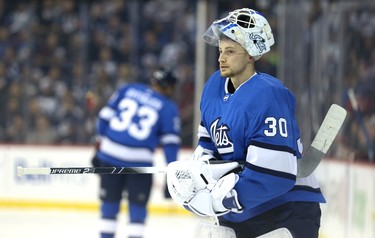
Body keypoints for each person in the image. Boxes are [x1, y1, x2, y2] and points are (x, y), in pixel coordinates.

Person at [168, 8, 325, 238]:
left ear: (251, 54)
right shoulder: (213, 86)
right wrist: (202, 166)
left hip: (284, 210)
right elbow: (209, 140)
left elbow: (274, 176)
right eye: (221, 50)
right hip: (242, 213)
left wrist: (216, 201)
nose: (221, 58)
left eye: (230, 51)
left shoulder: (268, 95)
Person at [92, 67, 181, 238]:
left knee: (109, 206)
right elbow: (170, 144)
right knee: (137, 211)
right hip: (139, 164)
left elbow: (104, 117)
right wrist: (171, 174)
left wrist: (98, 150)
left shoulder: (128, 88)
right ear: (168, 87)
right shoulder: (168, 107)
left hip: (109, 157)